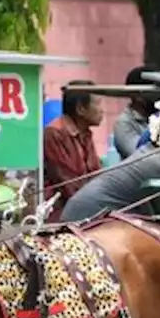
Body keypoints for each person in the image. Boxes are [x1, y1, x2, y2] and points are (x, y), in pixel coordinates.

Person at [43, 82, 104, 222]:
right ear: (81, 109)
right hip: (60, 213)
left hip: (83, 206)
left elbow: (96, 175)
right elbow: (68, 184)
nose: (102, 110)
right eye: (98, 104)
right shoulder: (54, 133)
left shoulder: (86, 133)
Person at [112, 67, 160, 160]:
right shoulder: (123, 123)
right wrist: (157, 124)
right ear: (138, 96)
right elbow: (138, 155)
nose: (159, 98)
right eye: (155, 94)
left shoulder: (159, 115)